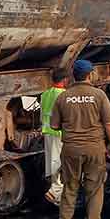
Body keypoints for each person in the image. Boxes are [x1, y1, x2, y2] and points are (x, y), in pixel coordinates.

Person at [51, 59, 110, 219]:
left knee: (70, 189)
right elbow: (109, 123)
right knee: (94, 189)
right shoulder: (99, 95)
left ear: (74, 75)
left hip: (71, 149)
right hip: (95, 148)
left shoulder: (63, 97)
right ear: (90, 74)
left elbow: (54, 125)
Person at [41, 68, 68, 205]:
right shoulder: (64, 95)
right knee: (60, 163)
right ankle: (55, 192)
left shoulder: (45, 94)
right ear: (64, 80)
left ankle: (56, 194)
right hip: (59, 133)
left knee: (52, 162)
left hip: (47, 131)